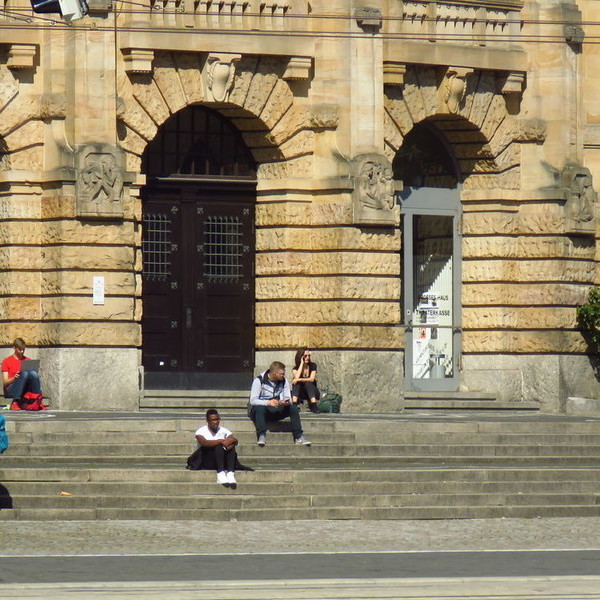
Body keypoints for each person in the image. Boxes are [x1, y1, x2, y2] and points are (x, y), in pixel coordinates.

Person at [248, 360, 311, 447]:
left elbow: (288, 397)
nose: (283, 375)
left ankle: (298, 436)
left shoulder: (283, 381)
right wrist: (268, 402)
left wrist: (284, 402)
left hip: (277, 408)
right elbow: (253, 400)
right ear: (275, 374)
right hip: (262, 410)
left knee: (293, 407)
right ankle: (261, 435)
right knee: (260, 408)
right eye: (282, 374)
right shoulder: (259, 380)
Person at [194, 409, 238, 486]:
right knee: (218, 446)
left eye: (218, 419)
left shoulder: (224, 430)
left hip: (222, 459)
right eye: (213, 420)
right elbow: (204, 443)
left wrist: (230, 441)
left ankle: (230, 472)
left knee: (231, 445)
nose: (216, 422)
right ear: (207, 420)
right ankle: (220, 473)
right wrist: (220, 441)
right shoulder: (200, 431)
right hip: (207, 460)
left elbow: (234, 439)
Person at [1, 338, 45, 411]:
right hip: (12, 389)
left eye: (23, 350)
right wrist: (14, 378)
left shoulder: (28, 360)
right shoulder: (6, 361)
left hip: (26, 389)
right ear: (14, 348)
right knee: (24, 373)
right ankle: (16, 401)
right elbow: (5, 382)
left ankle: (37, 400)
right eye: (19, 349)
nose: (22, 352)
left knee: (33, 373)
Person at [291, 348, 320, 413]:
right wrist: (301, 364)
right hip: (301, 393)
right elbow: (296, 377)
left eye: (309, 356)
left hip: (313, 392)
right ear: (300, 357)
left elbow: (312, 379)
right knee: (296, 382)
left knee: (308, 382)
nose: (307, 358)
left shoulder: (313, 365)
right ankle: (294, 405)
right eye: (305, 356)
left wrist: (300, 379)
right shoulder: (295, 369)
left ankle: (314, 405)